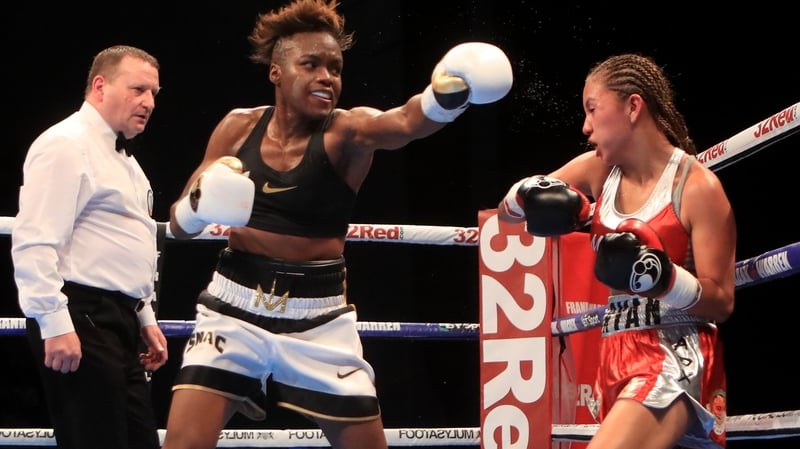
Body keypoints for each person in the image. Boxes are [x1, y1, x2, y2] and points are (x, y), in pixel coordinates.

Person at [160, 1, 512, 448]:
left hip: (320, 320)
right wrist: (198, 205)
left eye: (335, 67)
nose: (327, 76)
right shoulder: (237, 127)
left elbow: (403, 122)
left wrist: (441, 100)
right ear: (277, 72)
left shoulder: (347, 132)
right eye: (311, 64)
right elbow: (179, 224)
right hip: (232, 310)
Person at [499, 53, 735, 449]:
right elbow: (509, 211)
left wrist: (664, 278)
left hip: (672, 353)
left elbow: (722, 301)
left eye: (593, 109)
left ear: (633, 106)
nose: (586, 126)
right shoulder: (599, 170)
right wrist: (530, 197)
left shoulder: (697, 188)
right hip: (614, 353)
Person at [11, 45, 168, 449]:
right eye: (138, 89)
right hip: (80, 316)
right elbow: (34, 242)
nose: (148, 102)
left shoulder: (128, 164)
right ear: (100, 86)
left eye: (153, 93)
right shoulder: (66, 144)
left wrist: (144, 315)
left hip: (118, 322)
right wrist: (54, 323)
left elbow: (120, 245)